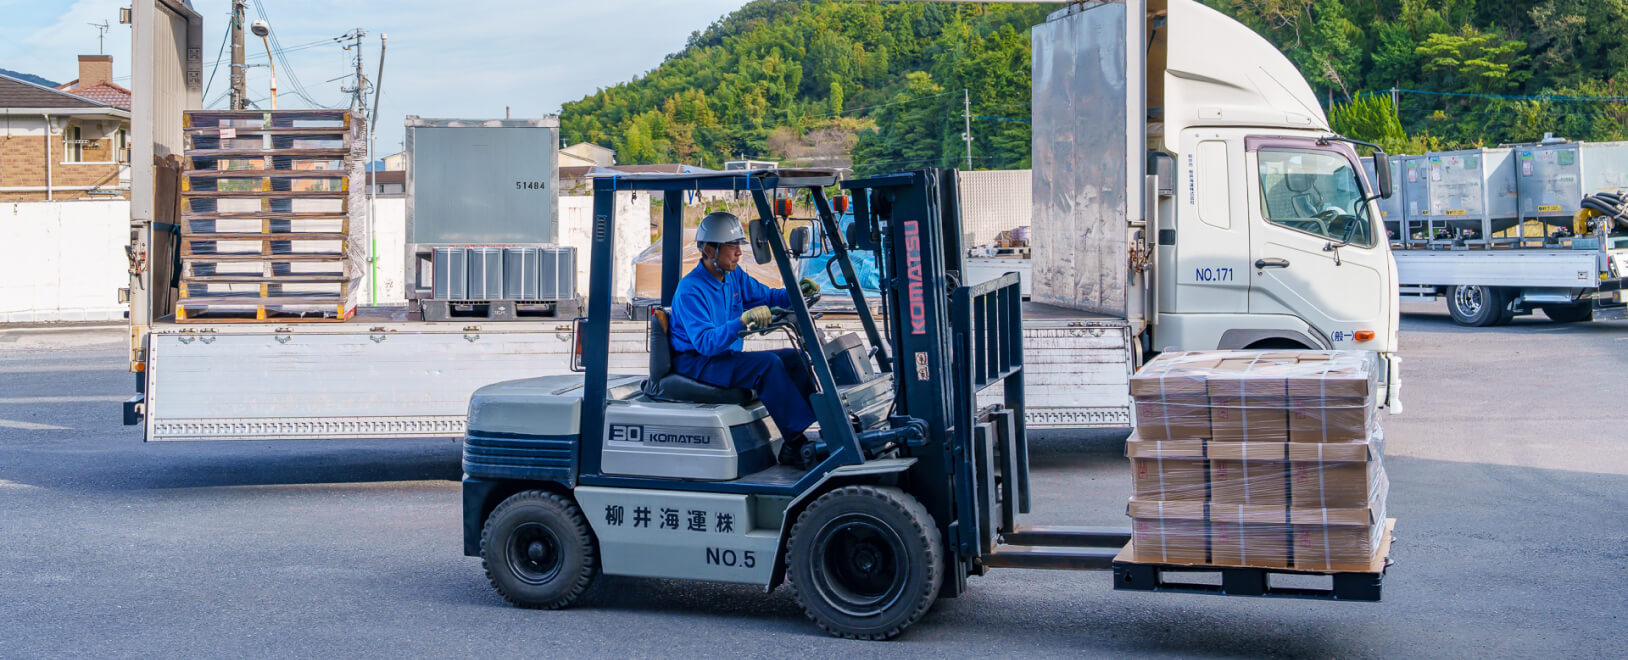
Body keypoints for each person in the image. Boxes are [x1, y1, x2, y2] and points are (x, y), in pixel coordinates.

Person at [669, 211, 822, 467]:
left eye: (739, 244)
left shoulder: (733, 276)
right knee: (767, 365)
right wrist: (742, 321)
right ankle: (796, 445)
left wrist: (796, 293)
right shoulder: (690, 290)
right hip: (696, 362)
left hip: (723, 356)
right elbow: (705, 343)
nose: (739, 252)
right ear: (709, 250)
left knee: (794, 358)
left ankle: (822, 428)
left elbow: (767, 297)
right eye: (732, 246)